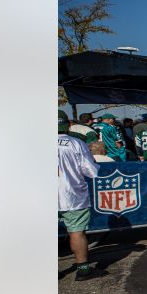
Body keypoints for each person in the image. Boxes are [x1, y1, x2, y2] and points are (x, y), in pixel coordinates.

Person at [59, 111, 105, 281]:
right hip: (72, 194)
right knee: (77, 231)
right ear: (68, 125)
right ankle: (83, 269)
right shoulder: (76, 143)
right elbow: (91, 171)